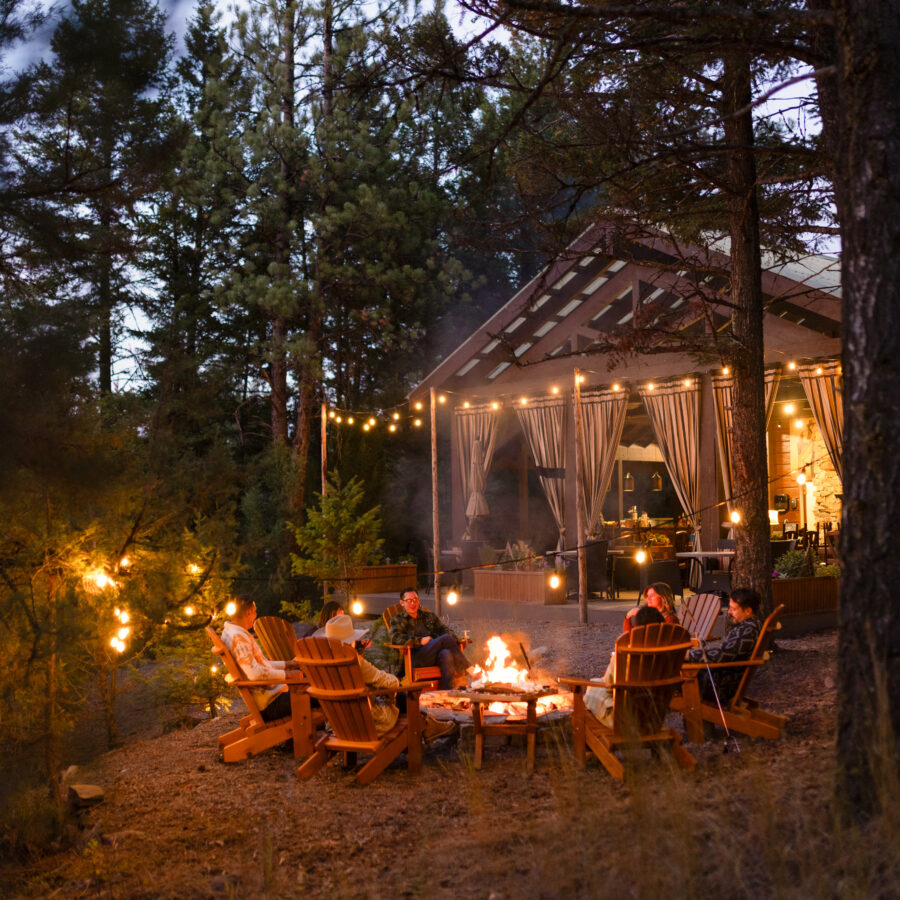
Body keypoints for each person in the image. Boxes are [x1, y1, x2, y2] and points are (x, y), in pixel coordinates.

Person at [324, 614, 454, 742]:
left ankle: (427, 724)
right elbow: (386, 681)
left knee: (398, 697)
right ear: (350, 640)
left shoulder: (322, 663)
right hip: (367, 723)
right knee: (403, 695)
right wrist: (397, 683)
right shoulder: (355, 662)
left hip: (338, 722)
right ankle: (426, 726)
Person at [221, 595, 299, 722]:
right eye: (255, 612)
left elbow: (261, 665)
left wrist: (288, 664)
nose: (256, 615)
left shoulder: (231, 633)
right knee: (320, 693)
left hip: (270, 696)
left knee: (313, 682)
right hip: (271, 703)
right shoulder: (238, 638)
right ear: (248, 612)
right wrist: (288, 675)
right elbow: (255, 673)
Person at [584, 606, 666, 726]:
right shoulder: (669, 651)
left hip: (625, 717)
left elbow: (609, 683)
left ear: (637, 627)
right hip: (654, 713)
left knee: (593, 687)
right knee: (595, 683)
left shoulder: (626, 653)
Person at [686, 587, 762, 703]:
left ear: (748, 611)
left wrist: (689, 655)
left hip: (719, 685)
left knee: (674, 674)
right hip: (721, 678)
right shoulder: (749, 626)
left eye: (733, 609)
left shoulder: (747, 630)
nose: (729, 612)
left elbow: (721, 655)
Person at [388, 587, 470, 690]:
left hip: (432, 656)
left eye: (415, 600)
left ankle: (448, 692)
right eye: (409, 601)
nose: (413, 603)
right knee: (445, 639)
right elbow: (396, 638)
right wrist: (420, 641)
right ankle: (467, 668)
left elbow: (445, 630)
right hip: (413, 658)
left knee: (446, 653)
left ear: (419, 600)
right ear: (402, 603)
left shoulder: (429, 617)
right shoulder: (398, 620)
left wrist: (456, 641)